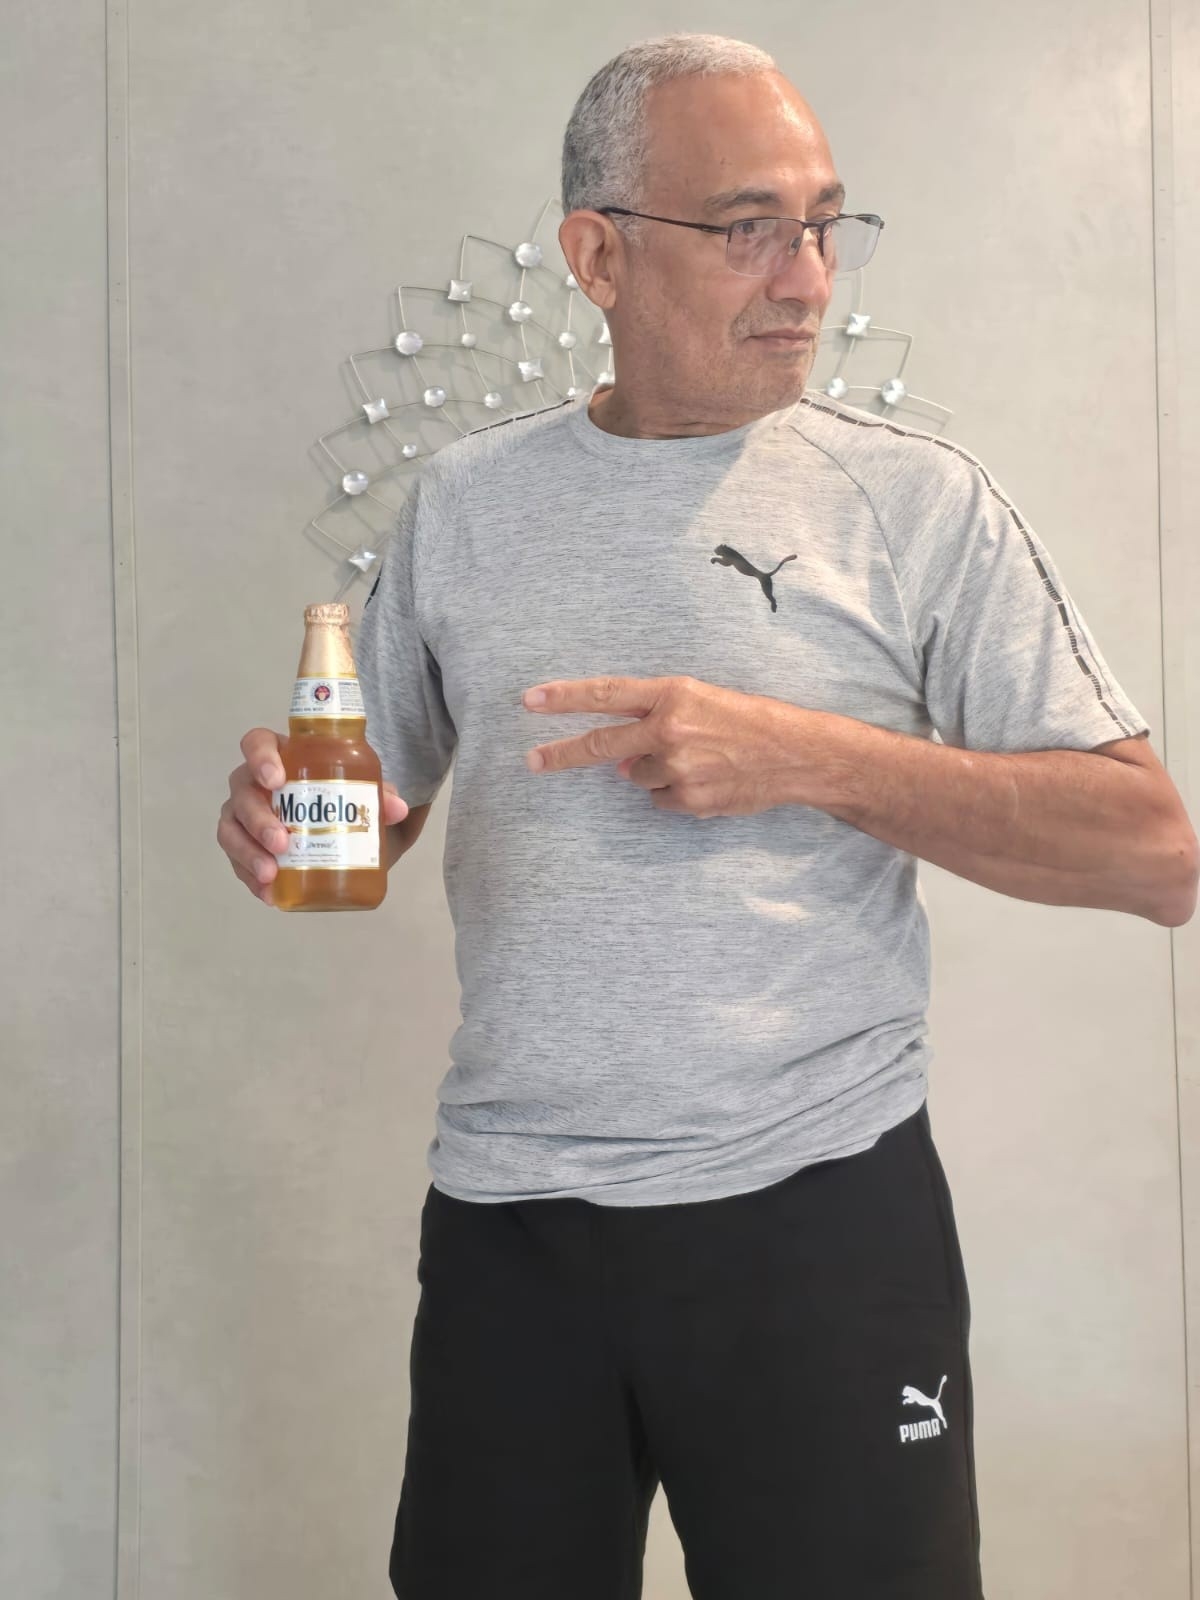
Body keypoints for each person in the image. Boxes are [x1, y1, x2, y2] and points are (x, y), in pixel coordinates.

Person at [217, 32, 1195, 1600]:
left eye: (824, 225)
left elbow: (1154, 852)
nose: (806, 277)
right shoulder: (464, 505)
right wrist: (288, 819)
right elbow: (368, 813)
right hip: (512, 1230)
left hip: (819, 1223)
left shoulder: (915, 502)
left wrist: (810, 755)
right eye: (748, 229)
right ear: (598, 255)